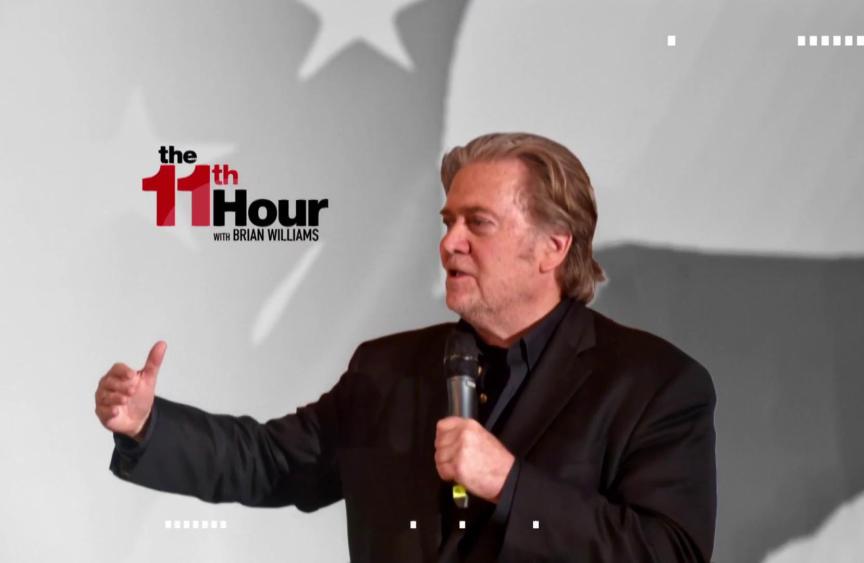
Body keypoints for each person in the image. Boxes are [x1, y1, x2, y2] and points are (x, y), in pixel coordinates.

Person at [95, 132, 717, 562]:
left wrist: (510, 485)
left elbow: (669, 554)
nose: (449, 243)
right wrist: (148, 425)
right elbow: (269, 461)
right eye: (448, 222)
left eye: (478, 223)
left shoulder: (653, 384)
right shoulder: (387, 369)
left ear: (553, 247)